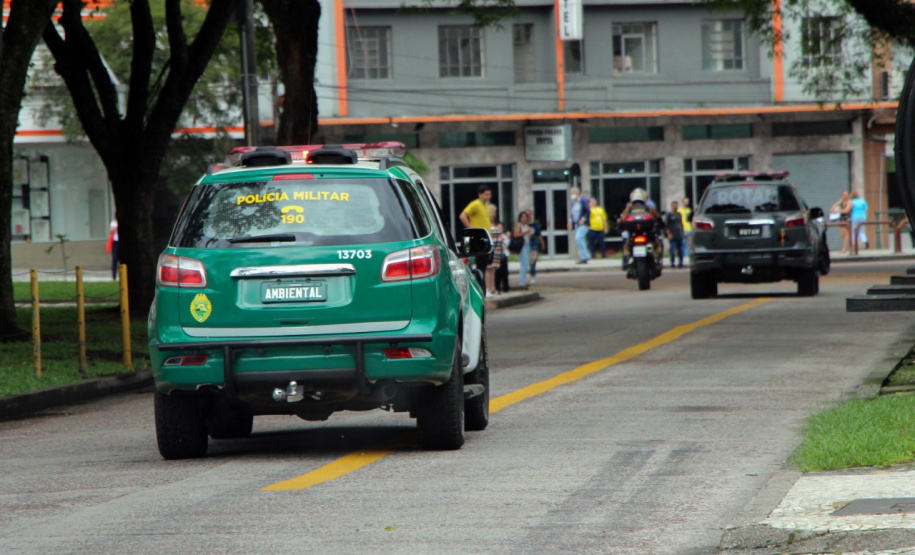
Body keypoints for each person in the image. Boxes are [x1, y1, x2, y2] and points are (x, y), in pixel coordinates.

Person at [459, 185, 492, 290]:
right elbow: (463, 215)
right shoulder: (475, 204)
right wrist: (471, 228)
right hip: (478, 238)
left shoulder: (486, 206)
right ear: (480, 194)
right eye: (486, 194)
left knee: (484, 264)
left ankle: (482, 288)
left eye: (489, 194)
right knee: (479, 265)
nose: (488, 197)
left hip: (485, 238)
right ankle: (480, 288)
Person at [619, 188, 662, 264]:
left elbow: (622, 219)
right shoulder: (649, 207)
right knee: (657, 244)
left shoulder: (628, 208)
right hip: (646, 234)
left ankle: (627, 261)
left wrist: (620, 225)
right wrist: (660, 222)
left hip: (634, 234)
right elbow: (657, 216)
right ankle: (658, 260)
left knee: (627, 246)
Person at [567, 187, 591, 264]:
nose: (572, 195)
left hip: (583, 224)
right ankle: (584, 256)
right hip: (577, 224)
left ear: (577, 194)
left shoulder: (583, 201)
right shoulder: (574, 203)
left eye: (573, 193)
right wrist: (570, 221)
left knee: (578, 238)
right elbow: (572, 213)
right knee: (581, 239)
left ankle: (585, 256)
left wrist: (583, 219)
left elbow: (588, 211)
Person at [513, 211, 535, 287]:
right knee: (524, 263)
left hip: (527, 244)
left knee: (526, 263)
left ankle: (524, 280)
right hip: (522, 245)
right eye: (522, 217)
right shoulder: (518, 226)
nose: (524, 218)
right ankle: (521, 281)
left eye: (525, 217)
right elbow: (516, 235)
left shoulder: (526, 225)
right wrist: (525, 232)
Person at [525, 208, 545, 285]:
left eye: (529, 214)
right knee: (525, 262)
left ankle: (532, 276)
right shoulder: (523, 225)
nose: (528, 216)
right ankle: (523, 278)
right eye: (527, 215)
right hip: (525, 245)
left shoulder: (535, 225)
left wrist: (542, 244)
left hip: (534, 244)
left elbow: (539, 235)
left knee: (532, 261)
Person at [486, 204, 502, 296]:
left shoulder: (495, 223)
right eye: (491, 212)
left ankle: (493, 288)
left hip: (497, 249)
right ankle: (488, 288)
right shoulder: (486, 223)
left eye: (494, 212)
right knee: (488, 269)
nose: (493, 214)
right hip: (491, 248)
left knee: (493, 269)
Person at [664, 200, 685, 268]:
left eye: (676, 205)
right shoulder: (669, 215)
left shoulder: (679, 214)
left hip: (679, 235)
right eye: (674, 205)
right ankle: (672, 263)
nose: (675, 207)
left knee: (680, 250)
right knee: (672, 250)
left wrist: (683, 232)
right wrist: (669, 234)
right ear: (672, 206)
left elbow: (681, 224)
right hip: (672, 235)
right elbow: (666, 226)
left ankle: (680, 262)